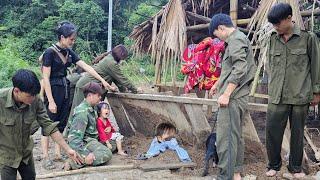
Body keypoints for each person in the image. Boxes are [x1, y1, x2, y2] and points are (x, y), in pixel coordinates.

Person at [40, 21, 115, 169]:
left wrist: (102, 81)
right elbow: (46, 78)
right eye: (71, 39)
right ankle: (45, 156)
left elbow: (86, 67)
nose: (72, 42)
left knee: (61, 122)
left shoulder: (68, 52)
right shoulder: (50, 52)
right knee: (48, 123)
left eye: (74, 39)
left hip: (65, 88)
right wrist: (50, 100)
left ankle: (57, 153)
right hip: (53, 89)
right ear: (62, 37)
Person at [265, 3, 320, 178]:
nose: (275, 27)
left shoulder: (308, 38)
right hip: (277, 94)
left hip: (300, 94)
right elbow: (270, 65)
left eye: (278, 23)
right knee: (272, 130)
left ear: (289, 18)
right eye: (273, 24)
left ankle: (295, 167)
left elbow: (316, 66)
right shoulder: (273, 38)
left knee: (297, 133)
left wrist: (316, 92)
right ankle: (273, 165)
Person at [0, 69, 82, 180]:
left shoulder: (35, 100)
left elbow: (48, 126)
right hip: (6, 157)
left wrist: (68, 149)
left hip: (26, 155)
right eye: (29, 96)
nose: (33, 98)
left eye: (35, 95)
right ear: (16, 91)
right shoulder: (1, 100)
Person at [208, 14, 256, 180]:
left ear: (221, 28)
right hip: (238, 97)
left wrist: (226, 94)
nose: (218, 38)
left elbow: (239, 68)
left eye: (216, 34)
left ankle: (225, 177)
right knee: (235, 136)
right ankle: (235, 174)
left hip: (233, 98)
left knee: (225, 139)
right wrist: (217, 85)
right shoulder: (238, 39)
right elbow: (230, 69)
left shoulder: (235, 40)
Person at [68, 44, 138, 125]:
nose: (123, 60)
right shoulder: (111, 63)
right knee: (79, 111)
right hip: (86, 87)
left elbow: (116, 79)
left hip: (89, 87)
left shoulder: (109, 59)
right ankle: (70, 133)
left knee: (90, 112)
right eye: (123, 58)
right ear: (121, 56)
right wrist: (135, 90)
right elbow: (122, 79)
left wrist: (123, 90)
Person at [65, 82, 112, 170]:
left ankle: (82, 157)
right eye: (98, 95)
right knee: (106, 154)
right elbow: (74, 139)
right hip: (85, 142)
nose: (100, 98)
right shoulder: (82, 112)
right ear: (90, 95)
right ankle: (74, 163)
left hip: (93, 138)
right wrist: (85, 154)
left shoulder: (92, 107)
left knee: (113, 143)